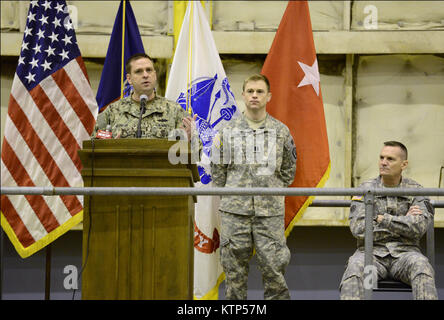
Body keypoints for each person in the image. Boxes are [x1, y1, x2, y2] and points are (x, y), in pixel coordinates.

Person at [210, 74, 297, 300]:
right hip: (234, 214)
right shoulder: (227, 131)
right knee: (234, 278)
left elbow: (289, 171)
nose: (255, 96)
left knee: (275, 273)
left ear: (269, 96)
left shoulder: (281, 131)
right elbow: (218, 173)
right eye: (250, 91)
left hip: (269, 214)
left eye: (259, 92)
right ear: (243, 95)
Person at [340, 141, 438, 300]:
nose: (383, 162)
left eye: (390, 159)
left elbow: (418, 228)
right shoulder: (365, 189)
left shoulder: (416, 190)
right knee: (354, 270)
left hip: (405, 256)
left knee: (422, 268)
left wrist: (380, 218)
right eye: (381, 157)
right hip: (372, 258)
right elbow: (359, 229)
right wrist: (404, 221)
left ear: (404, 164)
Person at [93, 53, 195, 140]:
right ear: (129, 79)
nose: (145, 75)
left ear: (154, 75)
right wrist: (108, 147)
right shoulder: (112, 112)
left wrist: (189, 141)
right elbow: (93, 147)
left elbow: (197, 153)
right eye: (139, 71)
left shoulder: (175, 111)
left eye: (149, 70)